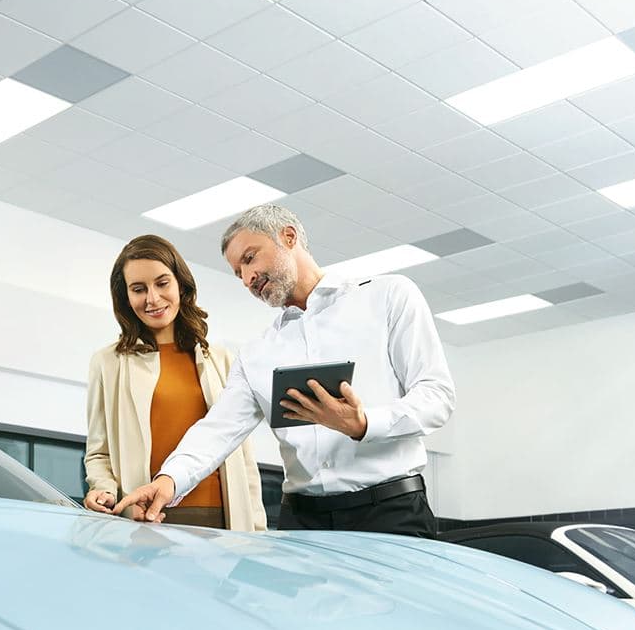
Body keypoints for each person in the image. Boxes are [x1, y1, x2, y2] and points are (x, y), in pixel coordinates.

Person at [111, 204, 454, 537]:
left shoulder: (388, 296)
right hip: (303, 522)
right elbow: (217, 429)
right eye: (238, 273)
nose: (248, 278)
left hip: (389, 512)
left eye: (250, 258)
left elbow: (436, 396)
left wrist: (363, 423)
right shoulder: (257, 352)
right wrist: (168, 480)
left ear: (289, 237)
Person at [83, 234, 267, 532]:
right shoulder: (108, 363)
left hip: (223, 518)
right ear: (125, 297)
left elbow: (243, 454)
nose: (152, 299)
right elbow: (99, 452)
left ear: (180, 284)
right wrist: (102, 489)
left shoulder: (221, 359)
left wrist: (257, 529)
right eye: (138, 289)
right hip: (146, 517)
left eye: (162, 283)